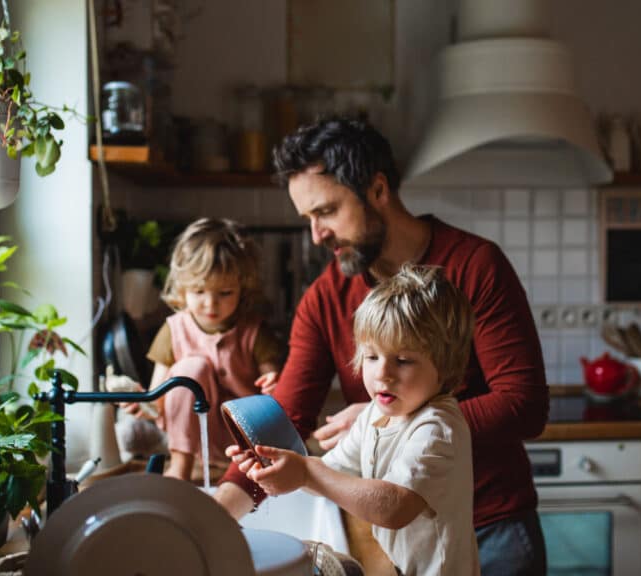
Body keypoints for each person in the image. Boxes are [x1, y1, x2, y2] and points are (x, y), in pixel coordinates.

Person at [213, 117, 549, 575]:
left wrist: (392, 418)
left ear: (377, 190)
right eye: (308, 218)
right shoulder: (325, 297)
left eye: (326, 211)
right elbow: (286, 418)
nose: (316, 235)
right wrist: (211, 520)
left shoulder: (475, 266)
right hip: (398, 544)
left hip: (491, 526)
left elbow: (524, 404)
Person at [232, 264, 479, 576]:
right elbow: (330, 476)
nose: (382, 373)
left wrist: (308, 473)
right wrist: (279, 466)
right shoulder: (376, 416)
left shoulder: (436, 428)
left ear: (445, 366)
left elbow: (393, 507)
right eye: (372, 356)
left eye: (403, 360)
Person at [118, 217, 282, 480]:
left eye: (225, 293)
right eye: (199, 291)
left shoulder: (254, 331)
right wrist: (143, 402)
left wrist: (274, 385)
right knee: (190, 369)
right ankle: (179, 467)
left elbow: (275, 387)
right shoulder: (174, 330)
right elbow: (157, 399)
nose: (210, 304)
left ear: (243, 287)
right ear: (182, 290)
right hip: (192, 441)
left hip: (246, 439)